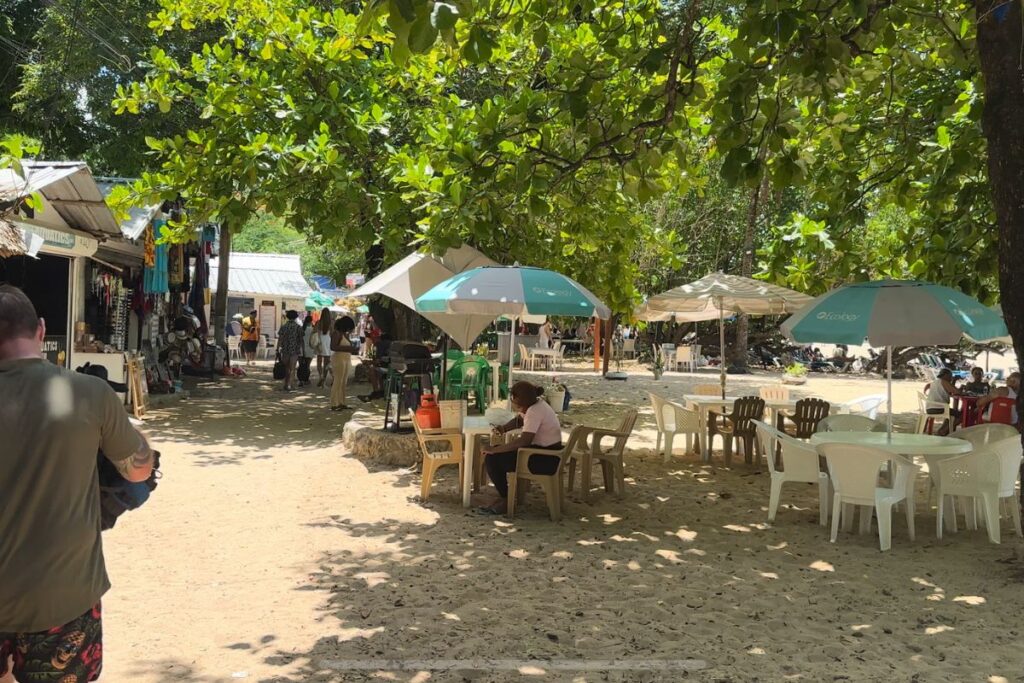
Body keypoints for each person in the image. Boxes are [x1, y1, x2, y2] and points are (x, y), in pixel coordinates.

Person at [0, 285, 155, 683]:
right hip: (63, 596)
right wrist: (137, 436)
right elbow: (138, 470)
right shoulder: (90, 393)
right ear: (41, 329)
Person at [479, 381, 563, 514]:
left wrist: (494, 450)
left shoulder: (534, 411)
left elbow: (523, 441)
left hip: (545, 460)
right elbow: (520, 420)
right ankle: (506, 498)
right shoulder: (537, 404)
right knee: (496, 453)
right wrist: (504, 428)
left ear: (520, 400)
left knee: (492, 459)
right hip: (547, 454)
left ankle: (506, 499)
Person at [329, 316, 357, 411]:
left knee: (344, 382)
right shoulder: (336, 334)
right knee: (338, 380)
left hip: (346, 358)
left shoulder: (345, 334)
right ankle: (334, 403)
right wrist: (348, 348)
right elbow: (333, 347)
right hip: (338, 358)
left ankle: (342, 402)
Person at [926, 368, 963, 435]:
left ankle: (943, 429)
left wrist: (954, 380)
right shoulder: (943, 381)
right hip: (938, 408)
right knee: (961, 415)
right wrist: (962, 387)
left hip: (930, 408)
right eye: (950, 376)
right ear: (946, 375)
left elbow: (950, 389)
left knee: (952, 413)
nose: (951, 378)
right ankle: (944, 430)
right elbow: (957, 391)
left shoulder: (936, 381)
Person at [276, 310, 303, 391]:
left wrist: (277, 349)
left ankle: (285, 383)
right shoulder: (298, 327)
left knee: (286, 367)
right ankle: (290, 385)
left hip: (285, 349)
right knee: (292, 368)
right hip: (295, 349)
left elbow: (280, 339)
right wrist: (302, 350)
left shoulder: (284, 327)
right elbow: (301, 340)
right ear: (296, 317)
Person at [316, 307, 333, 387]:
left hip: (320, 341)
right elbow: (332, 334)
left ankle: (320, 376)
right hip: (327, 341)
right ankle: (324, 379)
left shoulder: (319, 322)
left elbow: (317, 333)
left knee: (319, 361)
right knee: (327, 362)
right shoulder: (331, 323)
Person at [299, 314, 316, 387]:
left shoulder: (301, 329)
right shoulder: (312, 329)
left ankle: (300, 380)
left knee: (301, 365)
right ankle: (306, 379)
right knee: (307, 365)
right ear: (311, 321)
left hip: (301, 349)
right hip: (310, 349)